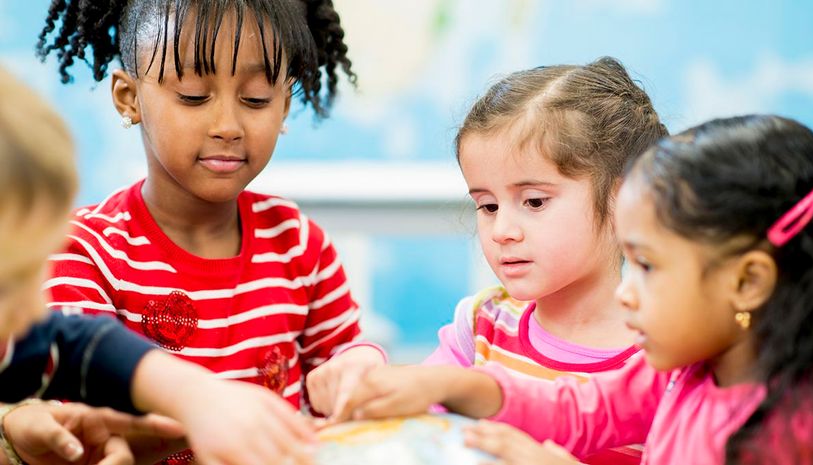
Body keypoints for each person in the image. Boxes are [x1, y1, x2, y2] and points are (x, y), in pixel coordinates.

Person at [335, 115, 813, 464]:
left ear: (748, 282)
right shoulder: (682, 372)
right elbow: (575, 410)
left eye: (648, 267)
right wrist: (446, 383)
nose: (626, 293)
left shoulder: (798, 432)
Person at [36, 1, 386, 461]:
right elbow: (81, 401)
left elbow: (340, 362)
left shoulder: (298, 243)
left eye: (257, 98)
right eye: (194, 95)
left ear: (285, 103)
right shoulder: (85, 251)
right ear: (129, 97)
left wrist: (361, 366)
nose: (227, 127)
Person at [0, 65, 319, 465]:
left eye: (255, 98)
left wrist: (14, 430)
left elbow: (78, 345)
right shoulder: (93, 247)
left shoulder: (17, 336)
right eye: (8, 284)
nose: (34, 310)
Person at [390, 57, 665, 464]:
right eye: (486, 206)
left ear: (623, 200)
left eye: (534, 201)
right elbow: (416, 428)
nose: (502, 230)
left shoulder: (666, 355)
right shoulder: (482, 324)